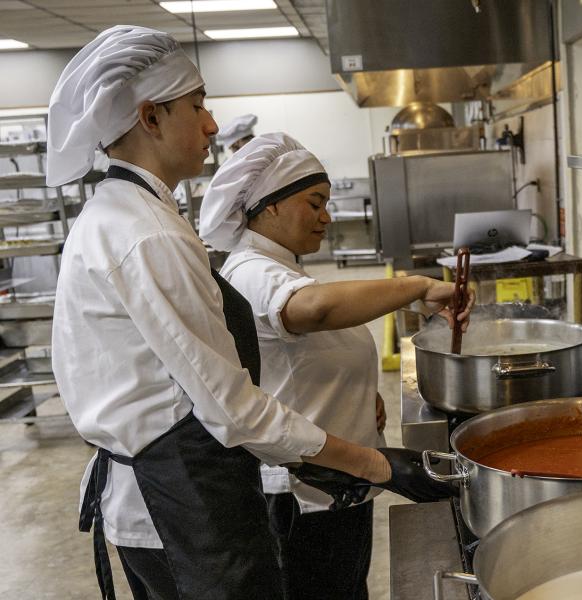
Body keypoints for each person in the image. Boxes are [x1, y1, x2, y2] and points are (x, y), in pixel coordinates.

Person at [47, 25, 453, 600]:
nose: (212, 125)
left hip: (176, 497)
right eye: (198, 106)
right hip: (181, 506)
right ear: (150, 118)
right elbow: (232, 409)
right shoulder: (146, 235)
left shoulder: (117, 216)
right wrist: (375, 465)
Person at [198, 132, 475, 600]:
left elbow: (299, 357)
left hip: (337, 483)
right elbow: (315, 311)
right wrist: (415, 287)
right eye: (314, 202)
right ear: (269, 206)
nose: (326, 217)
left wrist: (359, 394)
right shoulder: (251, 271)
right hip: (304, 496)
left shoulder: (281, 267)